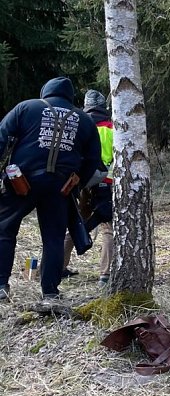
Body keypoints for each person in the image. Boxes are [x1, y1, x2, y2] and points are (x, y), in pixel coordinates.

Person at [0, 78, 102, 302]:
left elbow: (1, 138)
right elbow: (94, 159)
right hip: (60, 187)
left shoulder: (26, 107)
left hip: (21, 182)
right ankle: (50, 293)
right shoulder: (84, 120)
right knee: (54, 238)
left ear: (45, 92)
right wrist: (77, 184)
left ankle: (1, 285)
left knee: (4, 229)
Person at [62, 90, 114, 287]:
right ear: (104, 106)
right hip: (107, 183)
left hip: (82, 182)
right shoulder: (112, 128)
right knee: (107, 228)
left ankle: (59, 267)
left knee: (76, 224)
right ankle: (105, 275)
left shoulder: (79, 125)